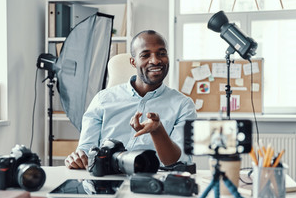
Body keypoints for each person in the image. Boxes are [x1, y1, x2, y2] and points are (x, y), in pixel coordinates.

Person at [65, 30, 197, 169]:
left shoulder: (183, 105)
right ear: (133, 62)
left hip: (154, 182)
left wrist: (158, 131)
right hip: (106, 182)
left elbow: (179, 161)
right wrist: (77, 159)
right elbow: (85, 152)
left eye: (161, 53)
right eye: (145, 55)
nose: (155, 60)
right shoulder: (103, 100)